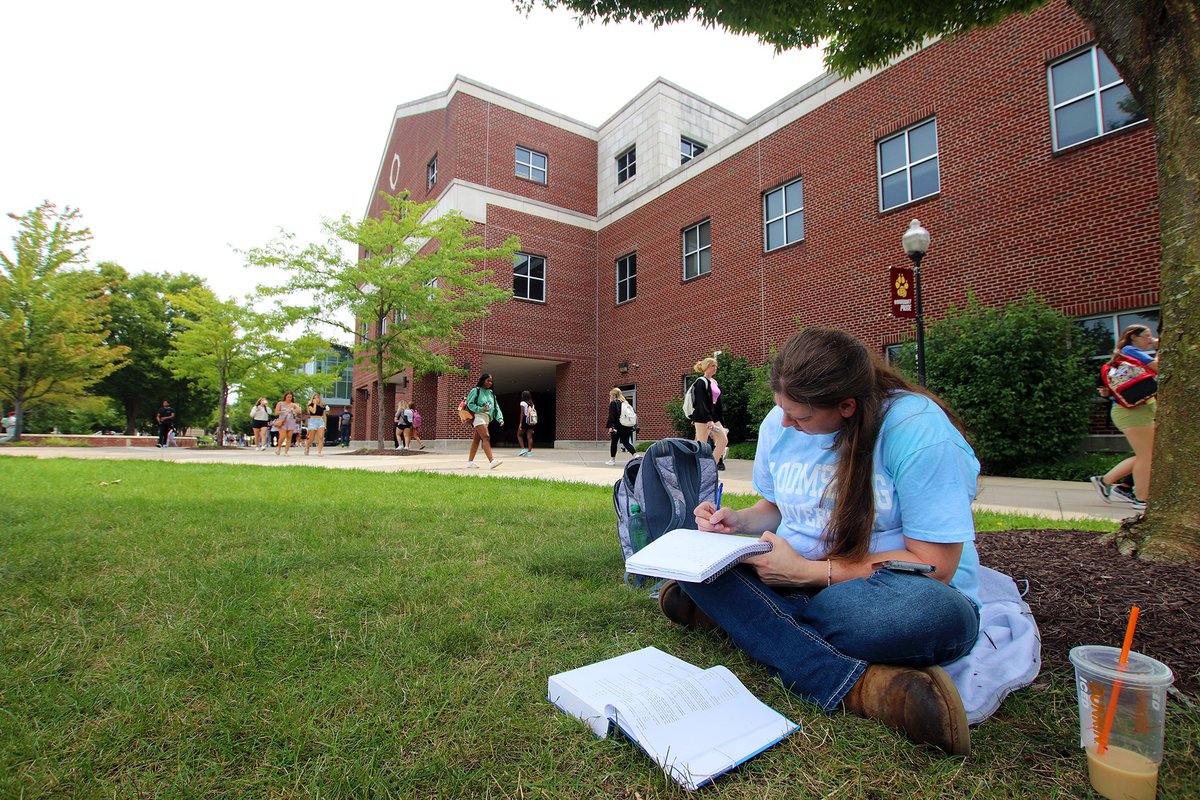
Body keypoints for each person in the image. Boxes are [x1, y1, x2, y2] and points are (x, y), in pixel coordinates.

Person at [661, 327, 981, 756]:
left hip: (882, 592)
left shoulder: (917, 430)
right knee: (699, 569)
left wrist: (809, 572)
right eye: (782, 410)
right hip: (789, 580)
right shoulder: (781, 420)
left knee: (933, 616)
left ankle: (746, 620)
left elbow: (935, 565)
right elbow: (774, 507)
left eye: (802, 417)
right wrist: (736, 521)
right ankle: (858, 686)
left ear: (846, 407)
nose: (785, 423)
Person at [1090, 325, 1158, 511]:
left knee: (1146, 455)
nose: (1150, 340)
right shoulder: (1130, 350)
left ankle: (1106, 481)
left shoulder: (1128, 354)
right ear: (1133, 337)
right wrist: (1164, 346)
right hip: (1132, 413)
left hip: (1136, 411)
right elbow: (1159, 367)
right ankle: (1141, 499)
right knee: (1148, 456)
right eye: (1146, 336)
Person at [688, 356, 729, 470]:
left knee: (723, 440)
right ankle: (699, 470)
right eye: (712, 366)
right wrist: (708, 419)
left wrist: (721, 421)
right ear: (706, 367)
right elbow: (701, 402)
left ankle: (711, 468)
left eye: (716, 366)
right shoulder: (701, 382)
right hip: (702, 418)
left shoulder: (714, 382)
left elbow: (717, 404)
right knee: (702, 445)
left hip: (714, 418)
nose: (715, 368)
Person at [465, 373, 503, 469]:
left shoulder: (491, 393)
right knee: (486, 437)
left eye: (491, 381)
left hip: (487, 418)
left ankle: (470, 462)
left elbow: (496, 407)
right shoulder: (476, 390)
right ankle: (491, 461)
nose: (490, 383)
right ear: (483, 380)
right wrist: (481, 409)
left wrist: (500, 418)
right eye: (488, 381)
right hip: (478, 416)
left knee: (476, 440)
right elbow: (470, 404)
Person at [605, 387, 637, 466]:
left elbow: (612, 416)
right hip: (626, 426)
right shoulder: (626, 403)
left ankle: (612, 460)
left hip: (617, 427)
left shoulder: (614, 403)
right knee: (626, 442)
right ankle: (636, 456)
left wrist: (610, 427)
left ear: (613, 395)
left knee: (614, 443)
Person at [517, 390, 536, 457]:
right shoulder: (532, 404)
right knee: (529, 437)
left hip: (525, 420)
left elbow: (522, 413)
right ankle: (529, 452)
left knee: (519, 435)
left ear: (523, 396)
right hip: (531, 421)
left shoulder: (522, 403)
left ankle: (523, 449)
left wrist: (520, 423)